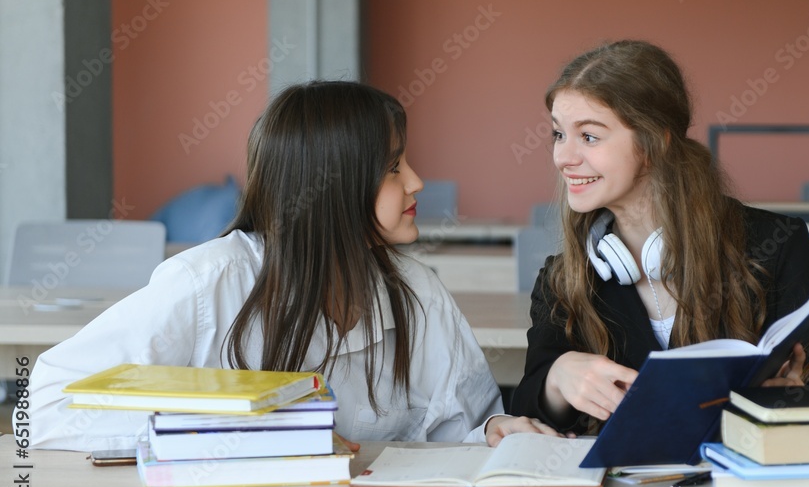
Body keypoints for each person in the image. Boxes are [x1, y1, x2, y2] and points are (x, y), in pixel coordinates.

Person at [26, 81, 552, 452]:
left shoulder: (417, 290)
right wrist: (232, 430)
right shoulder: (208, 281)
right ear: (331, 186)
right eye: (394, 167)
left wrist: (491, 435)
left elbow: (458, 430)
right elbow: (46, 404)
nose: (416, 182)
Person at [510, 40, 809, 436]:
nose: (563, 157)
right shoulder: (564, 278)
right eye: (558, 134)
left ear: (654, 144)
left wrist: (794, 401)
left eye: (589, 137)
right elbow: (527, 415)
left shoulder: (775, 244)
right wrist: (557, 378)